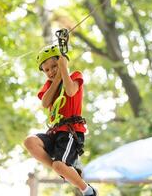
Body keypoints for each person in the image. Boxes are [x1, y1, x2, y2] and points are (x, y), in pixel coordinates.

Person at [24, 45, 97, 196]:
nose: (51, 71)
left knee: (59, 165)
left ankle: (87, 190)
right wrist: (57, 78)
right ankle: (64, 170)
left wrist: (63, 70)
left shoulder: (75, 76)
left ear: (62, 63)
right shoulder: (49, 85)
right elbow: (45, 103)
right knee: (29, 142)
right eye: (47, 70)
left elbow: (70, 91)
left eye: (54, 66)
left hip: (70, 132)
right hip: (55, 132)